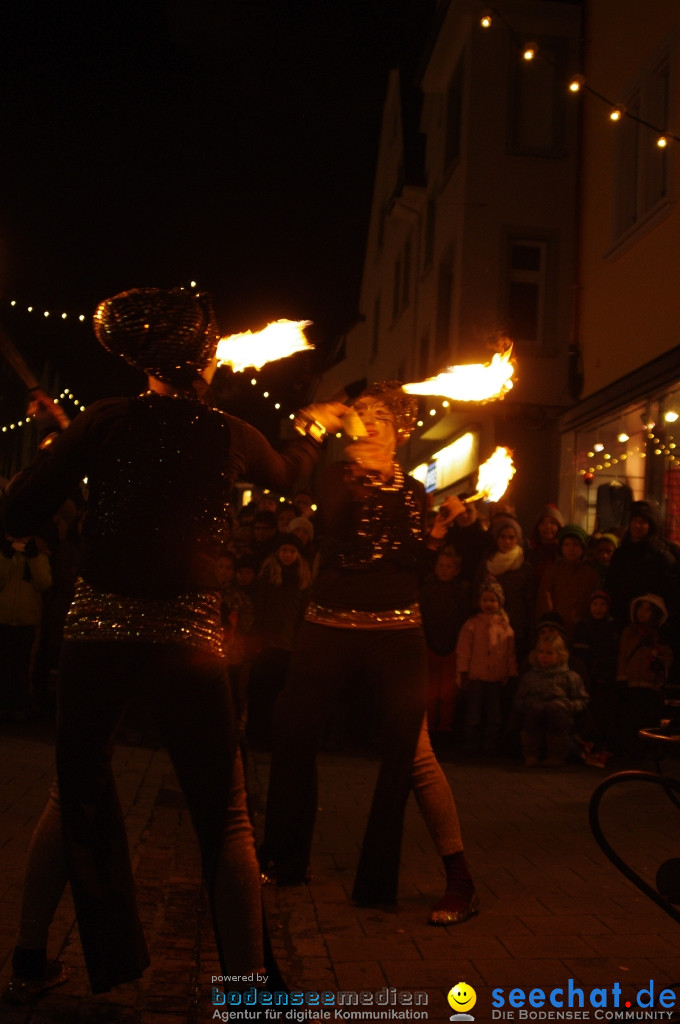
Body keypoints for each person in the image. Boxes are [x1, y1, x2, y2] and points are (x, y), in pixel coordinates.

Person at [2, 286, 346, 1000]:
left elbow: (20, 509)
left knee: (73, 795)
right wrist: (309, 429)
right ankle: (250, 988)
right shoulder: (230, 433)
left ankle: (30, 959)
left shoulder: (103, 422)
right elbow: (290, 478)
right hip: (186, 639)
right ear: (197, 358)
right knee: (224, 815)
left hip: (97, 633)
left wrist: (59, 449)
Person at [261, 381, 477, 916]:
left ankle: (451, 878)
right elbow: (337, 526)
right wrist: (360, 480)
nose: (370, 420)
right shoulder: (337, 477)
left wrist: (438, 532)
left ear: (400, 432)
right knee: (292, 732)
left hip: (396, 629)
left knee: (412, 754)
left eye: (382, 415)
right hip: (327, 621)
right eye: (361, 413)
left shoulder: (414, 491)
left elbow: (409, 561)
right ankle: (285, 860)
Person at [456, 578, 517, 756]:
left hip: (496, 677)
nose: (488, 604)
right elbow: (464, 651)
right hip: (476, 676)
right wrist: (463, 672)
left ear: (499, 603)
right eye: (485, 600)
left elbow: (509, 653)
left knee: (493, 711)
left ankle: (491, 742)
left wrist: (510, 673)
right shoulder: (472, 625)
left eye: (492, 600)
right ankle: (471, 742)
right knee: (473, 710)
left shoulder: (505, 627)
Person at [514, 633, 589, 767]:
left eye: (549, 653)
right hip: (534, 717)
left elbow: (582, 699)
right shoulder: (530, 677)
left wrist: (569, 706)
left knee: (554, 709)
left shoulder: (570, 677)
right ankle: (531, 754)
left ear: (559, 655)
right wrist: (528, 705)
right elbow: (519, 699)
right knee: (536, 709)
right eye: (541, 652)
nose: (544, 656)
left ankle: (556, 755)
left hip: (560, 718)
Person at [419, 546, 470, 737]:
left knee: (448, 691)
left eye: (448, 566)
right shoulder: (426, 589)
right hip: (431, 644)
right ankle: (430, 725)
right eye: (440, 565)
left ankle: (446, 727)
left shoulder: (462, 591)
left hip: (452, 646)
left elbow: (463, 618)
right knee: (430, 690)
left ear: (456, 570)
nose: (443, 569)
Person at [616, 593, 673, 758]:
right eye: (641, 607)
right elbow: (623, 654)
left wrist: (660, 680)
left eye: (648, 609)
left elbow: (665, 661)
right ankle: (629, 752)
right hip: (632, 683)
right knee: (630, 718)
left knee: (647, 719)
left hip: (650, 685)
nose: (643, 612)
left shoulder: (660, 637)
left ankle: (645, 752)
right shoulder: (630, 632)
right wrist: (622, 677)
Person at [536, 524, 601, 640]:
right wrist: (550, 624)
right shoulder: (552, 571)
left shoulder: (591, 573)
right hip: (557, 627)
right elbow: (545, 599)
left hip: (583, 628)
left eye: (576, 544)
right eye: (567, 544)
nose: (571, 549)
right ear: (561, 547)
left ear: (582, 547)